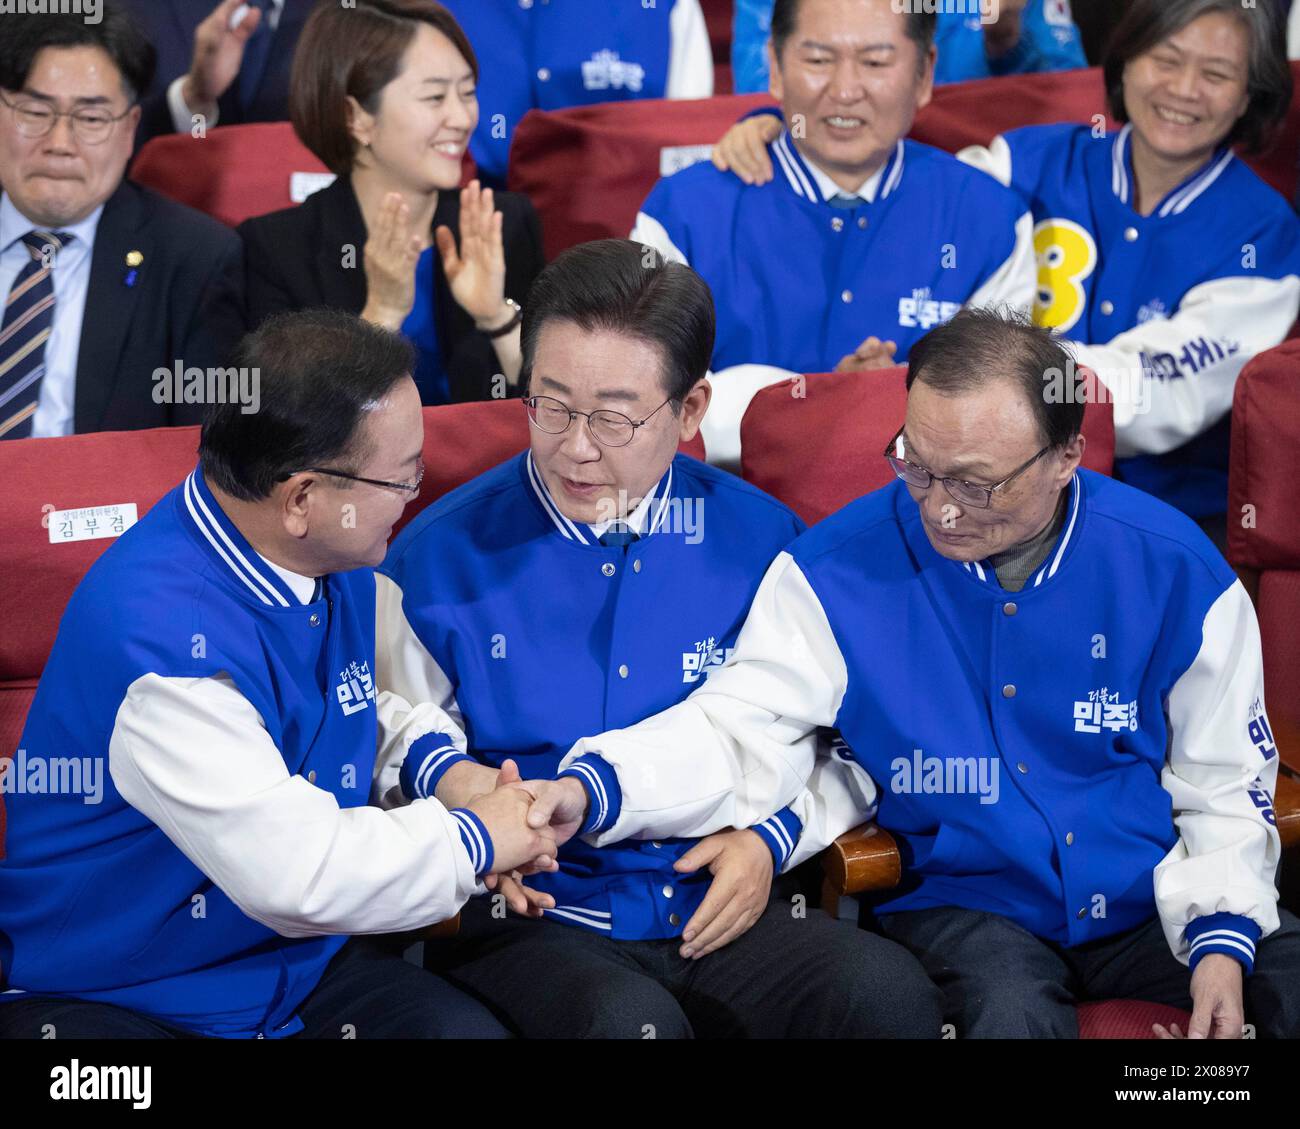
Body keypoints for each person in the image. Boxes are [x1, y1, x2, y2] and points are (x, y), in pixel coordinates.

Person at [532, 308, 1300, 1039]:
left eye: (976, 483)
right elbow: (734, 729)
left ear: (1066, 455)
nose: (943, 513)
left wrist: (1219, 941)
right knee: (1005, 1019)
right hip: (969, 906)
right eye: (917, 466)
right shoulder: (831, 572)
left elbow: (1226, 776)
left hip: (1152, 892)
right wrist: (591, 788)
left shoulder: (1177, 569)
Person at [374, 239, 943, 1039]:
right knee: (627, 1025)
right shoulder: (432, 557)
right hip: (531, 917)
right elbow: (380, 739)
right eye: (552, 403)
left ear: (691, 410)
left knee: (882, 995)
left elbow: (848, 745)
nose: (575, 445)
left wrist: (770, 839)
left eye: (613, 417)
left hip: (723, 895)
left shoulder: (766, 542)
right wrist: (467, 818)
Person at [0, 310, 556, 1040]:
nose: (415, 493)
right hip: (120, 989)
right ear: (300, 498)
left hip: (292, 963)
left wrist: (443, 771)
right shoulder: (162, 643)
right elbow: (298, 876)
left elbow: (339, 703)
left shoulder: (319, 551)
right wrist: (476, 840)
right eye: (401, 476)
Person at [714, 0, 1300, 533]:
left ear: (1253, 92)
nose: (1184, 90)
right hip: (971, 488)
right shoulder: (1023, 160)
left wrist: (937, 382)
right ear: (1124, 62)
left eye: (1217, 75)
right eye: (1165, 60)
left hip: (1154, 520)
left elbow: (1156, 397)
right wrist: (789, 133)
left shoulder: (1265, 236)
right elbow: (909, 201)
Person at [631, 0, 1034, 463]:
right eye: (819, 60)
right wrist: (836, 406)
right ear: (775, 68)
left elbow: (1003, 417)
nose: (845, 91)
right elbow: (647, 408)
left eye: (876, 61)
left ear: (924, 74)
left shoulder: (990, 219)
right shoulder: (682, 213)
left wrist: (890, 399)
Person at [234, 0, 545, 405]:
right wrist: (381, 314)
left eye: (467, 93)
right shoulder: (276, 250)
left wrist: (497, 318)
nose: (463, 117)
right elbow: (282, 431)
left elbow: (556, 410)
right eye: (435, 97)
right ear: (357, 117)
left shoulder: (504, 223)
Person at [0, 6, 241, 438]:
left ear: (130, 129)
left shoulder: (193, 260)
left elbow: (202, 458)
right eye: (34, 112)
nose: (59, 144)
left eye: (90, 119)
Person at [441, 0, 715, 187]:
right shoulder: (430, 11)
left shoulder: (660, 7)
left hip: (620, 240)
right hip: (466, 221)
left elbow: (687, 141)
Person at [732, 0, 1086, 94]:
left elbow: (1071, 101)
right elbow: (764, 93)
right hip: (835, 170)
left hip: (984, 166)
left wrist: (1007, 42)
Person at [121, 0, 313, 148]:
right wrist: (194, 98)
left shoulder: (336, 11)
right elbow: (106, 135)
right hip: (169, 188)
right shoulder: (130, 9)